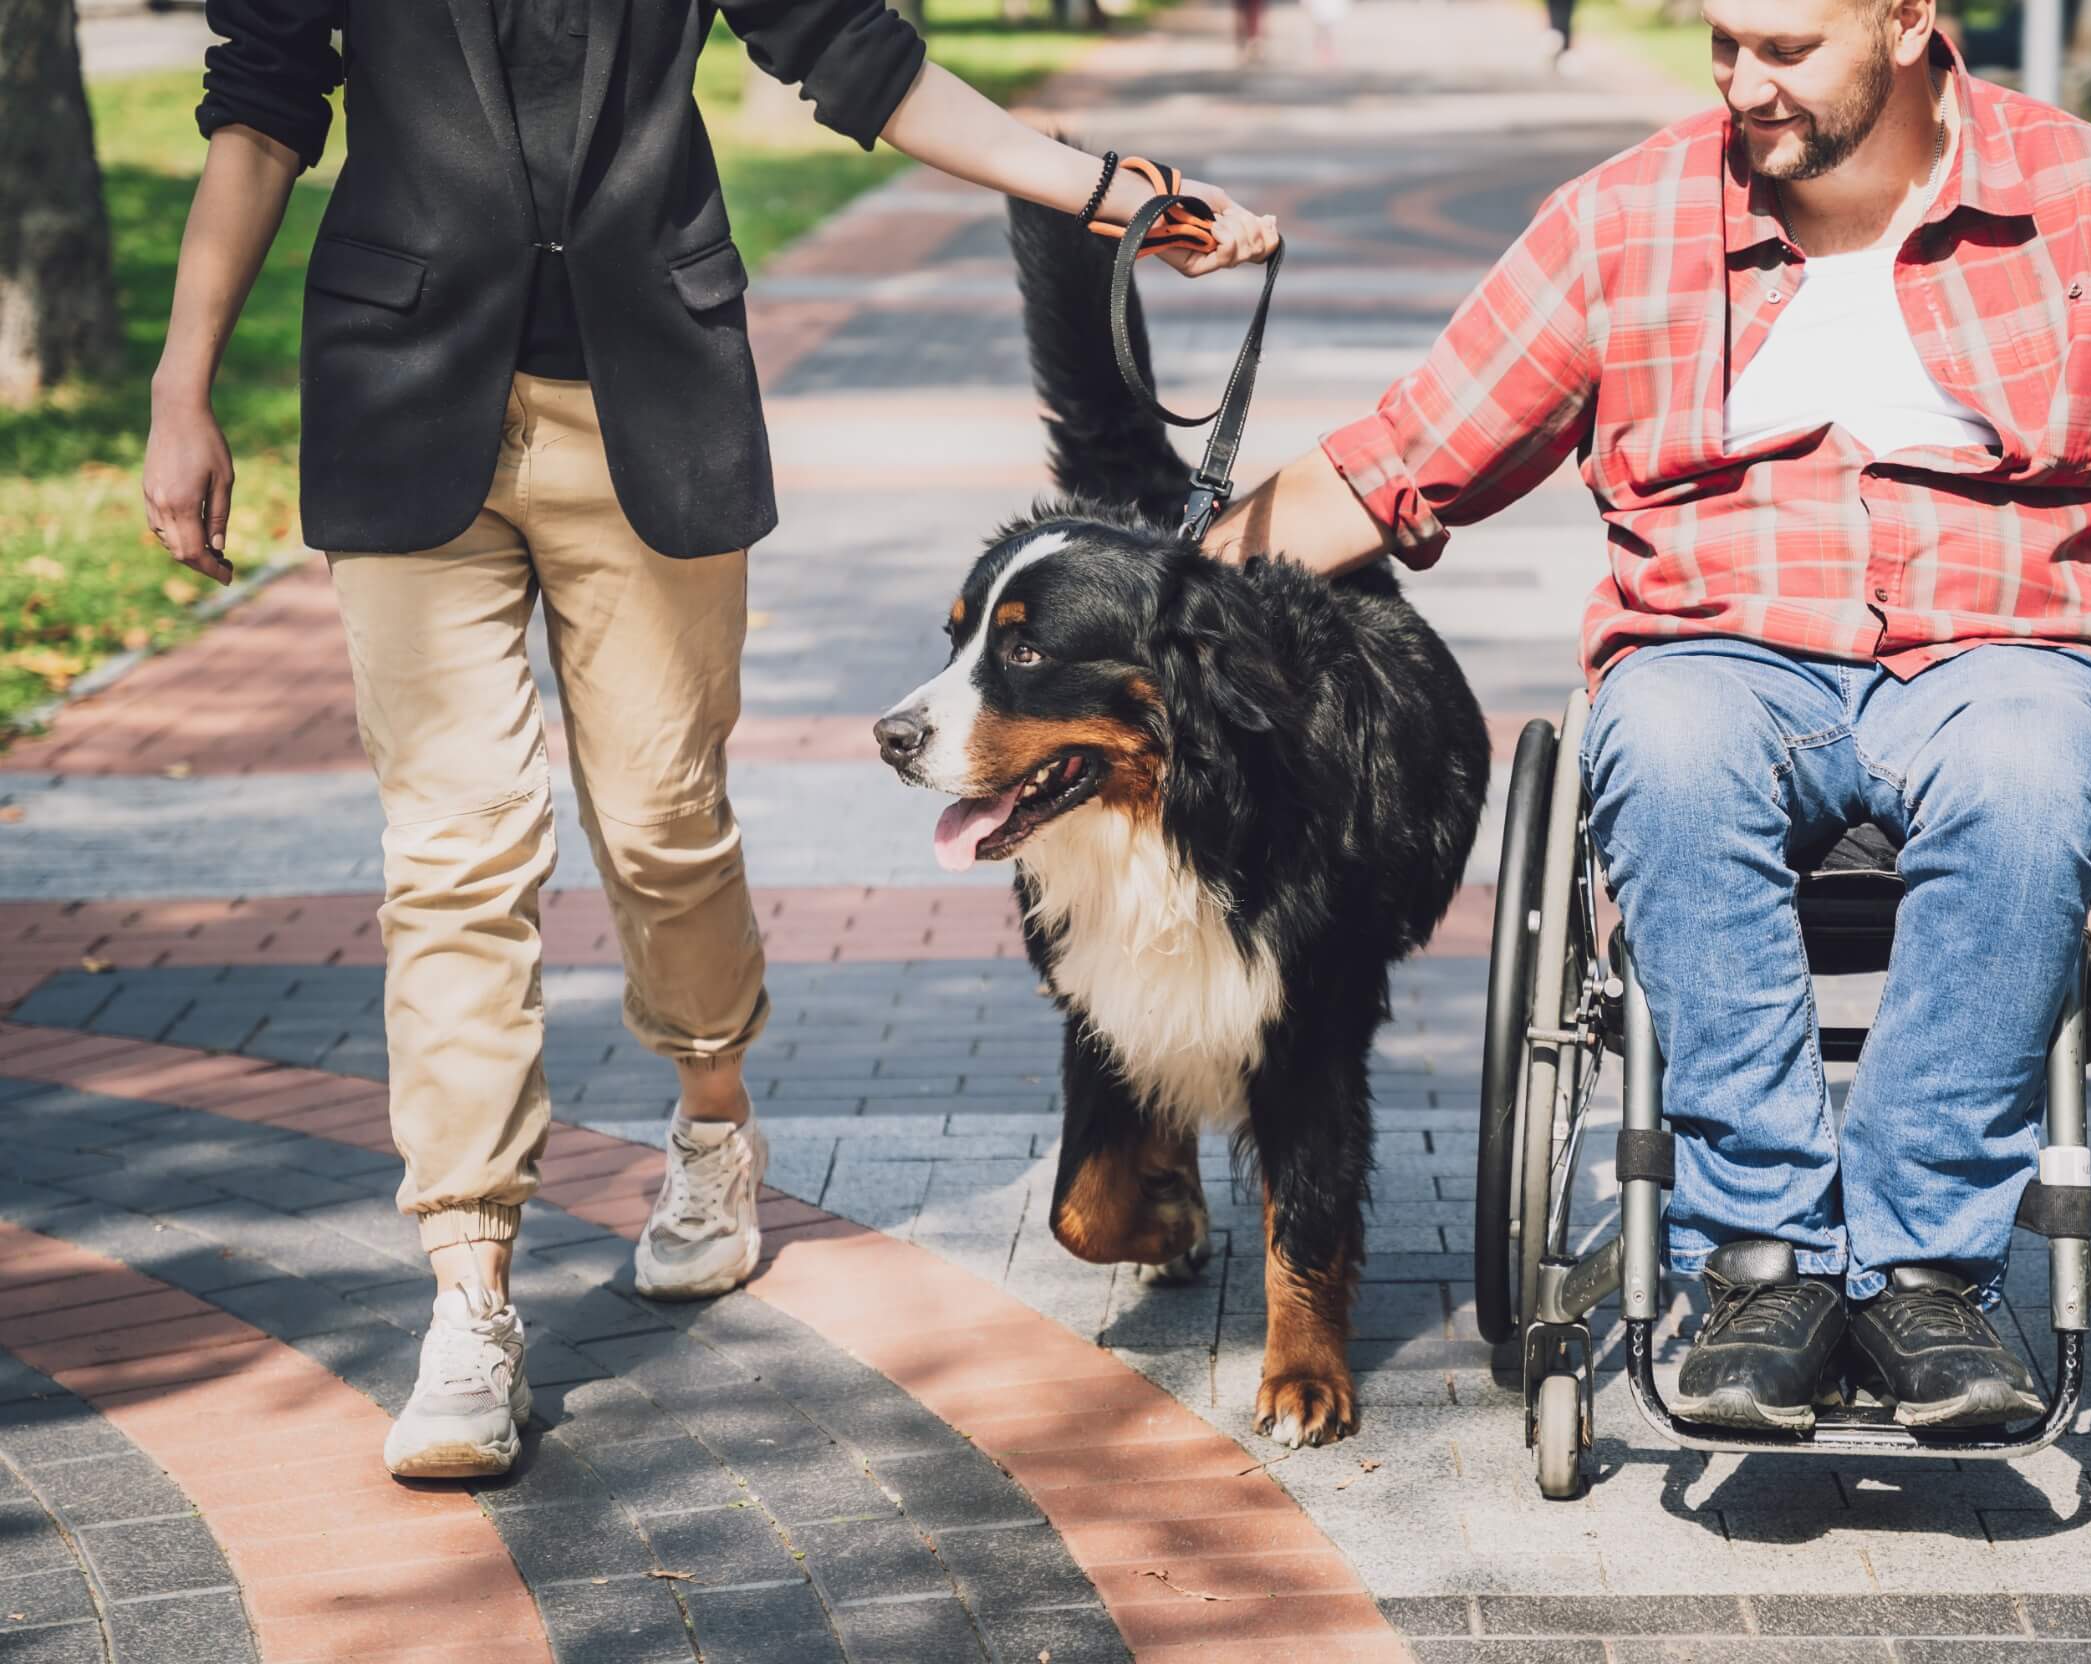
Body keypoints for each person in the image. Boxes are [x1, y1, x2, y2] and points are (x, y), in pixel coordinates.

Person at [140, 0, 1275, 1481]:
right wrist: (181, 382)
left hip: (647, 409)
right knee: (455, 849)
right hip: (405, 395)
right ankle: (469, 1290)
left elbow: (859, 58)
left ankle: (711, 1123)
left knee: (662, 826)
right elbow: (266, 99)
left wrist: (1111, 189)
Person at [1207, 0, 2091, 1429]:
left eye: (1785, 48)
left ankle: (1924, 1269)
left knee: (2041, 769)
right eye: (1722, 43)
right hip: (1719, 660)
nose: (1744, 83)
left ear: (1912, 19)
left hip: (2005, 656)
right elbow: (1399, 463)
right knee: (1662, 748)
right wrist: (1163, 585)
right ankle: (1768, 1262)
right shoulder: (1624, 222)